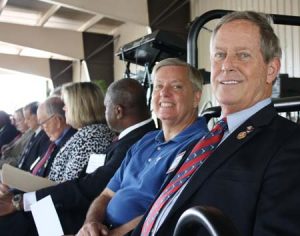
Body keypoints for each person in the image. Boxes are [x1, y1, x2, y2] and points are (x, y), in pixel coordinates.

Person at [132, 11, 300, 236]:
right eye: (219, 55)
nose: (226, 65)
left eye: (243, 55)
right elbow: (161, 213)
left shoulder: (289, 144)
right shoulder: (202, 141)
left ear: (271, 69)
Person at [0, 78, 157, 236]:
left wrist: (20, 201)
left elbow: (89, 186)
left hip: (73, 215)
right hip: (73, 211)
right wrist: (18, 196)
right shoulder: (128, 138)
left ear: (118, 111)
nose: (63, 109)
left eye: (106, 107)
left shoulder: (128, 139)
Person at [77, 58, 208, 236]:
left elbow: (166, 213)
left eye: (176, 86)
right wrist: (91, 223)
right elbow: (107, 195)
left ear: (196, 97)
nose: (164, 93)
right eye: (158, 86)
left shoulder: (201, 146)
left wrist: (114, 234)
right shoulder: (146, 140)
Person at [48, 82, 115, 182]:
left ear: (79, 107)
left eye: (66, 104)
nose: (63, 108)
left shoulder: (92, 137)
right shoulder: (86, 133)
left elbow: (71, 183)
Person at [17, 102, 50, 172]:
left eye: (28, 118)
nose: (25, 122)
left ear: (37, 116)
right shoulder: (34, 134)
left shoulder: (45, 136)